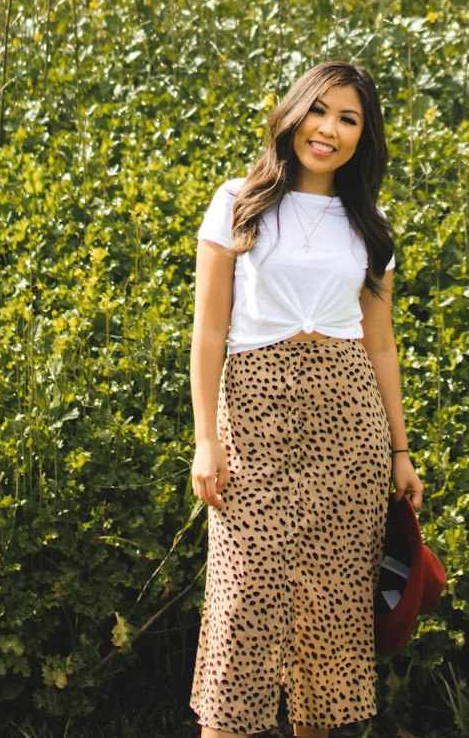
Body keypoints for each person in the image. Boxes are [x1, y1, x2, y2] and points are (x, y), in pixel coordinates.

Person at [189, 60, 423, 738]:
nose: (330, 129)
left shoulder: (369, 221)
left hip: (349, 425)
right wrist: (207, 440)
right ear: (292, 115)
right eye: (319, 111)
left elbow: (381, 346)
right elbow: (207, 332)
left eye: (349, 119)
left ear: (363, 136)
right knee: (245, 603)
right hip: (254, 423)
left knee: (330, 616)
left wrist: (400, 451)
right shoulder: (237, 200)